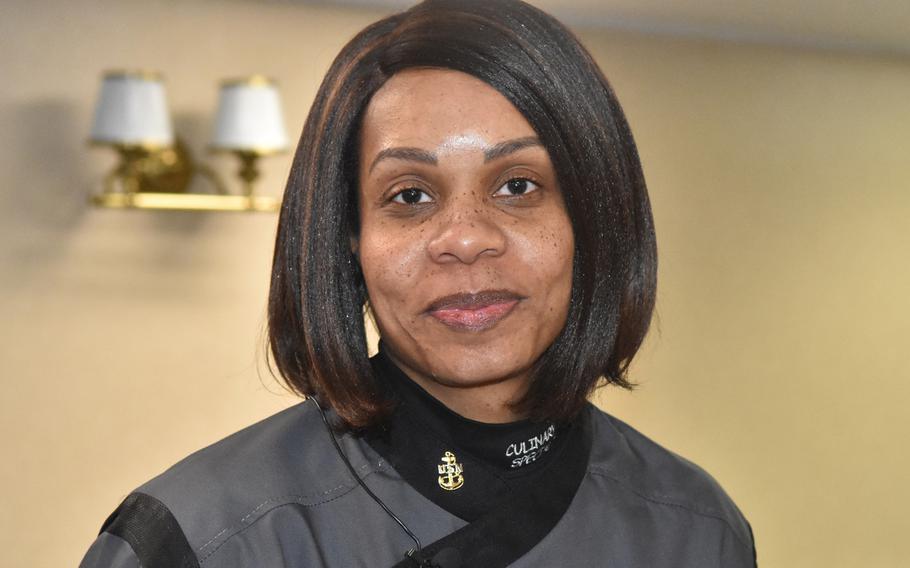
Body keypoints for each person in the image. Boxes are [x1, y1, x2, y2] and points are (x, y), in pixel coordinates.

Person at [80, 1, 756, 566]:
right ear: (349, 237)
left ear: (595, 217)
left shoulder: (696, 532)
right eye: (408, 196)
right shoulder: (203, 539)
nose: (464, 238)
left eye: (518, 186)